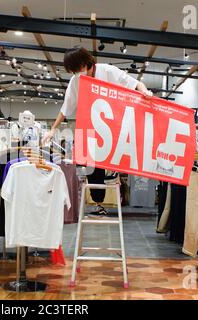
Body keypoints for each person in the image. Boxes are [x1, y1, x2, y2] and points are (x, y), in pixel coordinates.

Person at [42, 47, 153, 216]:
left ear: (88, 64)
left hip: (114, 126)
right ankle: (99, 204)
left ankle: (114, 187)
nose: (76, 74)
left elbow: (134, 83)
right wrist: (52, 129)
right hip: (89, 130)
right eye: (73, 71)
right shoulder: (75, 81)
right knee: (91, 169)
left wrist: (144, 91)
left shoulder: (108, 71)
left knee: (121, 159)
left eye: (77, 69)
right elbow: (66, 108)